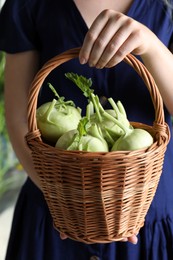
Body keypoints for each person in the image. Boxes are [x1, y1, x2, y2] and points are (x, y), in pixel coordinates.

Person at [0, 0, 173, 259]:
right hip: (55, 210)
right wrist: (65, 200)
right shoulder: (27, 5)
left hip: (148, 212)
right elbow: (19, 120)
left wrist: (151, 46)